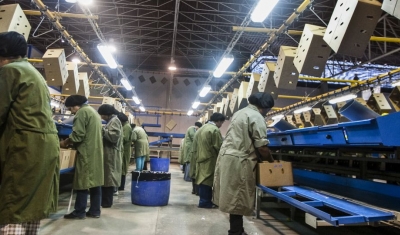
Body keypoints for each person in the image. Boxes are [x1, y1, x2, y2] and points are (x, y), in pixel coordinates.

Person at [0, 31, 59, 234]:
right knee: (31, 208)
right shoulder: (33, 73)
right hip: (43, 147)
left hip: (25, 147)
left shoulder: (10, 71)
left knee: (13, 205)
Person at [213, 92, 275, 235]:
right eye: (268, 109)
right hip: (239, 162)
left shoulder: (240, 112)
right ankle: (235, 232)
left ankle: (237, 229)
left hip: (228, 158)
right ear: (264, 107)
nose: (268, 112)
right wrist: (272, 163)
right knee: (238, 197)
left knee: (234, 197)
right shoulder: (256, 117)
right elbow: (262, 147)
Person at [61, 95, 104, 219]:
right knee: (95, 182)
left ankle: (79, 212)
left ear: (76, 106)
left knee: (82, 182)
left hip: (86, 152)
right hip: (96, 151)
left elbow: (78, 135)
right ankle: (95, 211)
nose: (71, 112)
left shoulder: (82, 113)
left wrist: (66, 142)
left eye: (71, 109)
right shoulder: (93, 112)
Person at [195, 113, 225, 208]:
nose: (221, 125)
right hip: (209, 158)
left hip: (201, 156)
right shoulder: (214, 130)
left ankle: (204, 200)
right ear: (218, 121)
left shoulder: (203, 128)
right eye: (222, 123)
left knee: (202, 179)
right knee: (207, 181)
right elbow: (218, 146)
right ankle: (205, 202)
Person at [98, 104, 123, 208]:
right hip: (109, 153)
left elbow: (113, 137)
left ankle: (107, 202)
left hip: (111, 153)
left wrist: (102, 129)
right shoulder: (112, 121)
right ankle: (104, 201)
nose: (101, 117)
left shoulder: (115, 121)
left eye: (102, 115)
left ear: (106, 114)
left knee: (109, 178)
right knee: (107, 178)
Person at [117, 113, 132, 191]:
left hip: (124, 150)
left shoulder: (126, 127)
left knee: (123, 168)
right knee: (122, 167)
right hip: (123, 150)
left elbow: (124, 138)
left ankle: (121, 186)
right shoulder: (126, 126)